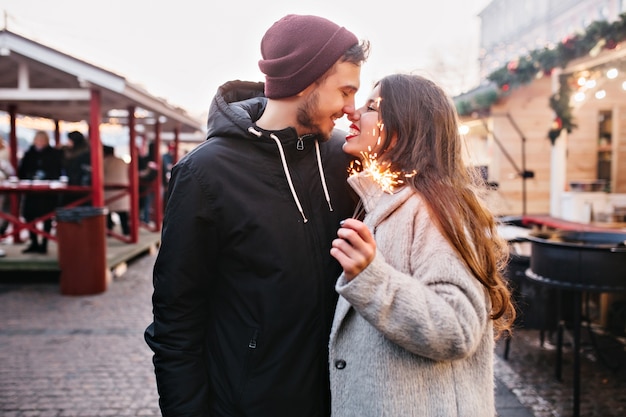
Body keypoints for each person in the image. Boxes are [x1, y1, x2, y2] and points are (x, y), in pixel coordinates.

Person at [144, 14, 369, 417]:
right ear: (305, 80)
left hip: (349, 401)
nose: (350, 108)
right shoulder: (205, 174)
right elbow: (176, 318)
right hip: (251, 404)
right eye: (345, 91)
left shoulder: (345, 159)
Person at [328, 73, 516, 416]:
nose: (354, 113)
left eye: (372, 107)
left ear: (403, 128)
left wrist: (371, 277)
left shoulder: (435, 209)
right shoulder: (387, 201)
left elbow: (457, 328)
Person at [17, 130, 63, 253]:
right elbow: (21, 171)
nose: (40, 142)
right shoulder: (29, 154)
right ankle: (34, 242)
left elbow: (57, 171)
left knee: (47, 218)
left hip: (47, 193)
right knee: (29, 216)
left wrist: (47, 176)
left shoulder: (53, 154)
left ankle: (44, 244)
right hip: (31, 191)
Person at [102, 145, 130, 236]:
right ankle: (126, 231)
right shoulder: (122, 161)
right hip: (123, 190)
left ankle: (109, 231)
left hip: (108, 190)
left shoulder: (103, 162)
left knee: (108, 213)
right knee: (123, 214)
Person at [61, 130, 91, 206]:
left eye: (69, 140)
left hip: (80, 189)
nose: (67, 142)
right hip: (71, 188)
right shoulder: (66, 152)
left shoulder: (84, 155)